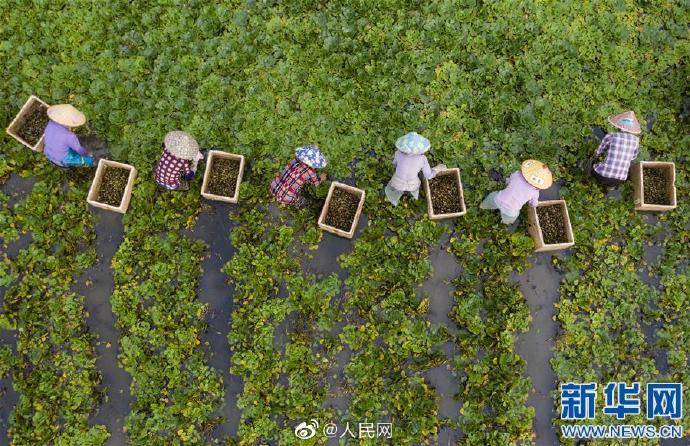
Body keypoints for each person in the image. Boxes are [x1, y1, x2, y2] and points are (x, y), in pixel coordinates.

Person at [480, 160, 553, 225]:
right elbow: (534, 204)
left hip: (498, 199)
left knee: (489, 201)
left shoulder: (517, 174)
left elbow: (508, 181)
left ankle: (482, 207)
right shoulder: (535, 192)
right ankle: (503, 222)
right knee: (508, 220)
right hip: (511, 211)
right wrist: (531, 203)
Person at [384, 132, 445, 206]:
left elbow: (394, 164)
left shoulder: (398, 154)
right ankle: (411, 197)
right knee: (414, 186)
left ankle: (396, 200)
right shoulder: (422, 159)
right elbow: (428, 176)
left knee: (397, 186)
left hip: (396, 183)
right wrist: (437, 169)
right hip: (412, 185)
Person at [589, 111, 641, 187]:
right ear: (632, 128)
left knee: (591, 167)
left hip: (602, 175)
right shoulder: (636, 140)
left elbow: (599, 151)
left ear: (618, 125)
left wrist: (595, 155)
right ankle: (609, 186)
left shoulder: (612, 136)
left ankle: (592, 179)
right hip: (620, 179)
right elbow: (633, 157)